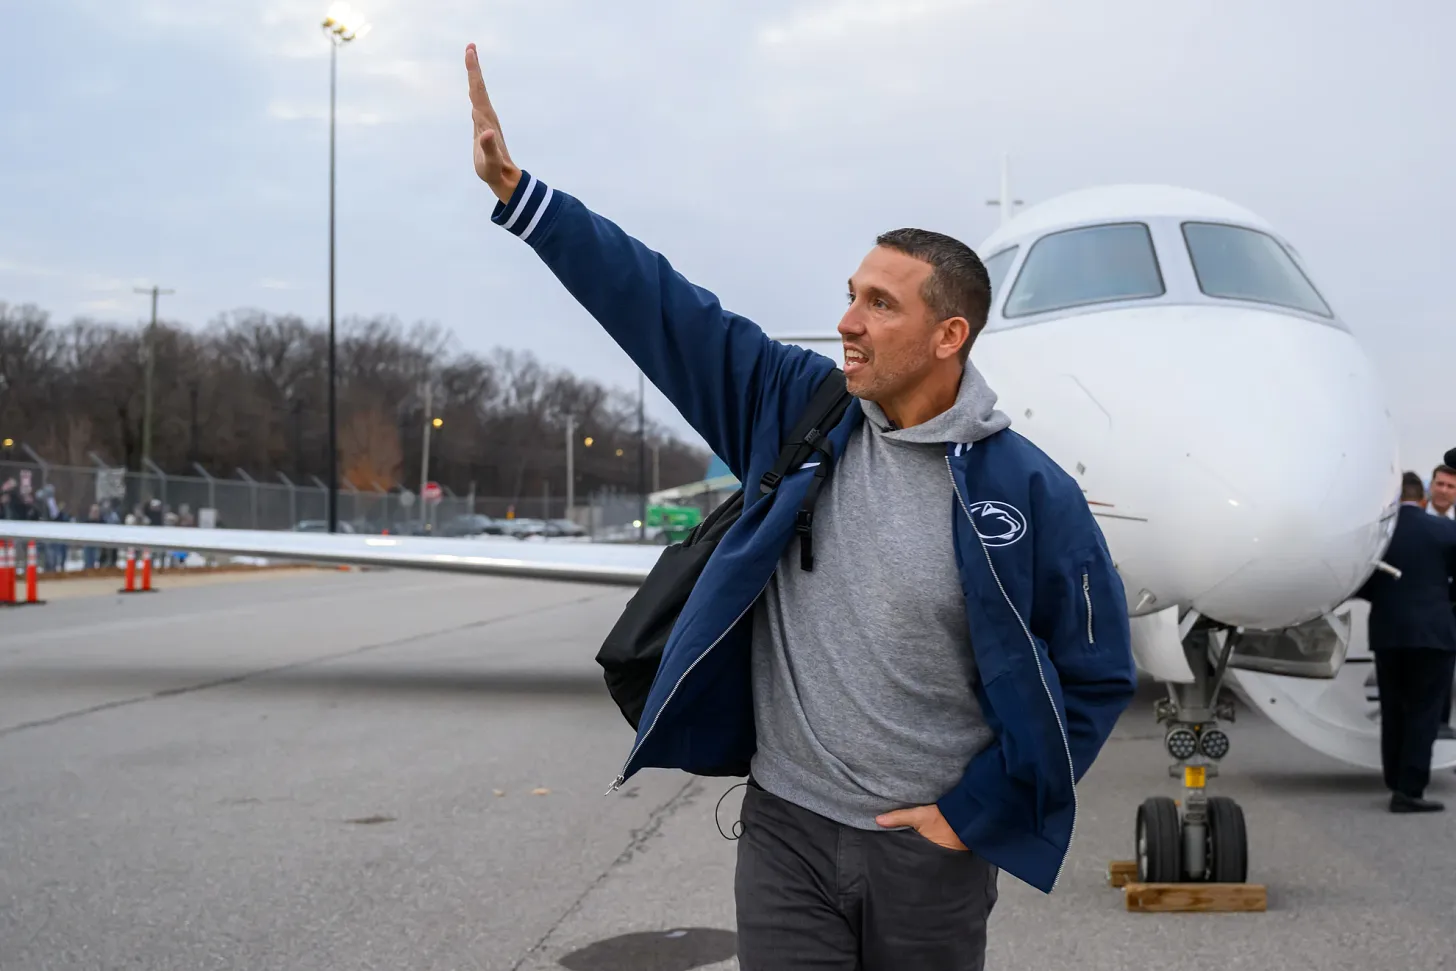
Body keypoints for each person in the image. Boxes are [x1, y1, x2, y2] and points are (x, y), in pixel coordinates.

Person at [463, 45, 1136, 970]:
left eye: (878, 304)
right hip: (785, 831)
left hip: (926, 855)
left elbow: (1094, 678)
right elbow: (665, 310)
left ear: (949, 336)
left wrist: (971, 816)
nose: (848, 321)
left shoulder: (1027, 493)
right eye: (849, 297)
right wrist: (524, 196)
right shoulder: (799, 411)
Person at [1354, 471, 1456, 812]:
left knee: (1394, 708)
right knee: (1424, 712)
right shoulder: (1445, 530)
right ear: (1423, 496)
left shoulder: (1377, 535)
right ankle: (1409, 790)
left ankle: (1394, 779)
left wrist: (1387, 599)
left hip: (1388, 632)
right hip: (1433, 633)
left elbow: (1359, 581)